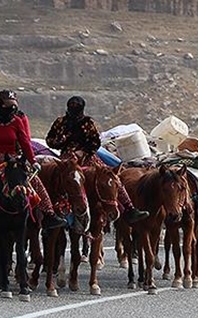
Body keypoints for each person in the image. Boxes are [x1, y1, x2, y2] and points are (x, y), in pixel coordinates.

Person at [0, 90, 68, 230]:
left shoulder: (16, 121)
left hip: (12, 159)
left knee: (34, 180)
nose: (10, 109)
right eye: (7, 106)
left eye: (13, 106)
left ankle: (49, 214)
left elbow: (24, 142)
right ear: (0, 104)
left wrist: (33, 161)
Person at [44, 95, 149, 223]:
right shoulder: (60, 123)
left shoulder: (88, 123)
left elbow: (95, 142)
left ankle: (129, 208)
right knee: (62, 179)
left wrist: (83, 151)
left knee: (111, 177)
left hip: (88, 157)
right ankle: (55, 212)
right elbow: (50, 140)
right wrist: (62, 141)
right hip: (67, 156)